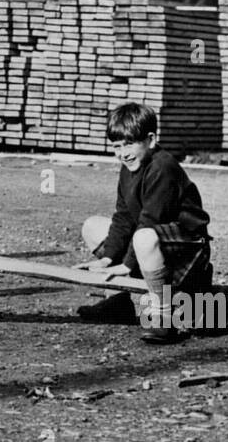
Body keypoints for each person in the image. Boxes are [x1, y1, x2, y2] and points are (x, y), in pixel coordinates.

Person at [74, 102, 212, 343]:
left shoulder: (162, 167)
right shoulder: (128, 167)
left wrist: (126, 265)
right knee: (93, 226)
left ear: (150, 139)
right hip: (152, 244)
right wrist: (109, 257)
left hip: (187, 248)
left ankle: (164, 317)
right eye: (116, 146)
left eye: (129, 144)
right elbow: (124, 216)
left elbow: (150, 220)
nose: (123, 153)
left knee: (143, 236)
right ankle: (117, 303)